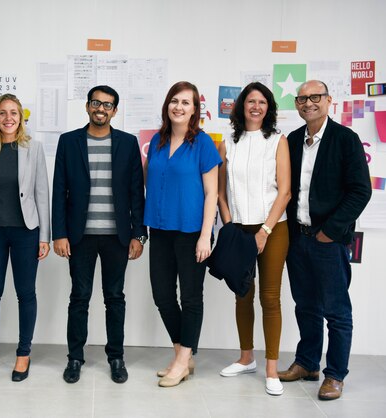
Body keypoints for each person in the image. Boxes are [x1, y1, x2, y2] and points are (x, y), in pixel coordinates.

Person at [278, 80, 371, 400]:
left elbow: (361, 190)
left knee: (336, 310)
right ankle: (306, 363)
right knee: (305, 305)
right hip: (297, 238)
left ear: (329, 100)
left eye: (314, 97)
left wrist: (331, 231)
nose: (308, 103)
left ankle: (335, 375)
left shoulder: (346, 139)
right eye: (302, 99)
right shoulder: (291, 140)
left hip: (328, 240)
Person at [52, 85, 147, 384]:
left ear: (115, 111)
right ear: (87, 106)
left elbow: (136, 192)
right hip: (79, 237)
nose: (101, 109)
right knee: (79, 298)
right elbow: (58, 191)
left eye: (107, 105)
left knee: (114, 297)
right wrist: (60, 233)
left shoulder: (128, 143)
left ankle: (116, 357)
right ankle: (75, 358)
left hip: (117, 237)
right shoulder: (69, 142)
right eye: (96, 103)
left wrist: (138, 234)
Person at [0, 94, 50, 382]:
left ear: (21, 117)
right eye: (2, 113)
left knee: (25, 293)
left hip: (26, 232)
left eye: (14, 112)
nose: (9, 118)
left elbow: (42, 193)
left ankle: (23, 354)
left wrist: (45, 236)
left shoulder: (34, 149)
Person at [144, 81, 221, 388]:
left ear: (194, 109)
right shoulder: (158, 140)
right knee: (162, 295)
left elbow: (212, 193)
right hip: (160, 228)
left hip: (192, 232)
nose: (178, 106)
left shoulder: (202, 143)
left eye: (186, 102)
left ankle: (182, 359)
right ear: (167, 105)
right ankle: (182, 355)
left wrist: (206, 236)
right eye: (174, 101)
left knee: (190, 298)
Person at [217, 82, 291, 396]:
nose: (256, 107)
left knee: (270, 298)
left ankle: (271, 368)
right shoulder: (227, 143)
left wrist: (264, 231)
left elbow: (284, 191)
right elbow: (221, 191)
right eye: (250, 101)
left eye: (262, 102)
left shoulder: (277, 141)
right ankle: (246, 357)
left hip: (272, 229)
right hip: (239, 229)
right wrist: (231, 227)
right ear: (241, 106)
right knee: (242, 295)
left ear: (268, 107)